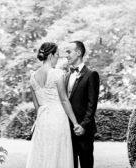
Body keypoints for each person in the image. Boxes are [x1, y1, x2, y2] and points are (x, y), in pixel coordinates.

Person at [25, 42, 84, 168]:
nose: (59, 57)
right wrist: (75, 123)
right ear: (51, 55)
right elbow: (64, 100)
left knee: (42, 154)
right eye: (57, 54)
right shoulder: (57, 73)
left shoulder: (33, 77)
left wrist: (41, 120)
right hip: (58, 119)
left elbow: (37, 107)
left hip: (43, 120)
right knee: (58, 154)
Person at [64, 40, 100, 168]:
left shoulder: (91, 75)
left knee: (86, 165)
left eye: (69, 52)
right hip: (67, 130)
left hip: (84, 131)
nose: (66, 55)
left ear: (78, 53)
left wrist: (83, 126)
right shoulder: (66, 76)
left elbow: (92, 105)